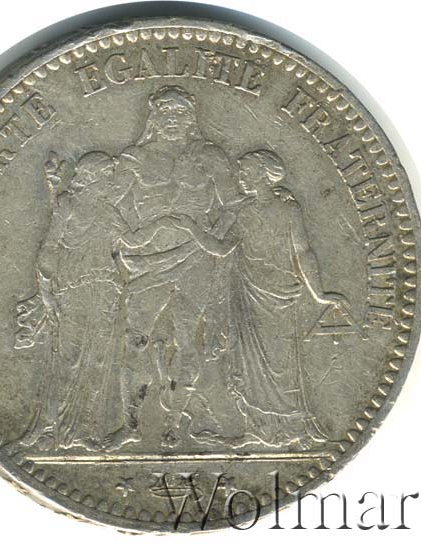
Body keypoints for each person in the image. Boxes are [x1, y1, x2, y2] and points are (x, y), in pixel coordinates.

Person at [104, 85, 239, 449]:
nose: (173, 120)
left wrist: (207, 240)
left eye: (180, 114)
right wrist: (133, 237)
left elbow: (234, 207)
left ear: (191, 119)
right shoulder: (135, 158)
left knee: (188, 341)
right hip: (147, 260)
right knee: (136, 340)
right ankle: (131, 424)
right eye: (166, 113)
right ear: (155, 118)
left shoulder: (209, 156)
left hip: (196, 260)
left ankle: (175, 423)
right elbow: (107, 204)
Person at [218, 150, 347, 449]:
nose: (241, 177)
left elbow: (303, 252)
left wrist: (318, 293)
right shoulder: (242, 212)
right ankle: (258, 429)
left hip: (279, 294)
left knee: (283, 364)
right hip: (248, 294)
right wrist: (188, 229)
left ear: (265, 174)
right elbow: (222, 248)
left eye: (246, 171)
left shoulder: (288, 209)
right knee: (250, 364)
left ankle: (294, 427)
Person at [15, 151, 127, 451]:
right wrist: (47, 293)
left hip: (106, 293)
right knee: (69, 360)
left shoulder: (111, 212)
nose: (111, 182)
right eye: (107, 176)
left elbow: (126, 251)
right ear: (91, 177)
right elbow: (49, 249)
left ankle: (87, 432)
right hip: (74, 290)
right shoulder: (68, 205)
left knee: (98, 361)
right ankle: (57, 430)